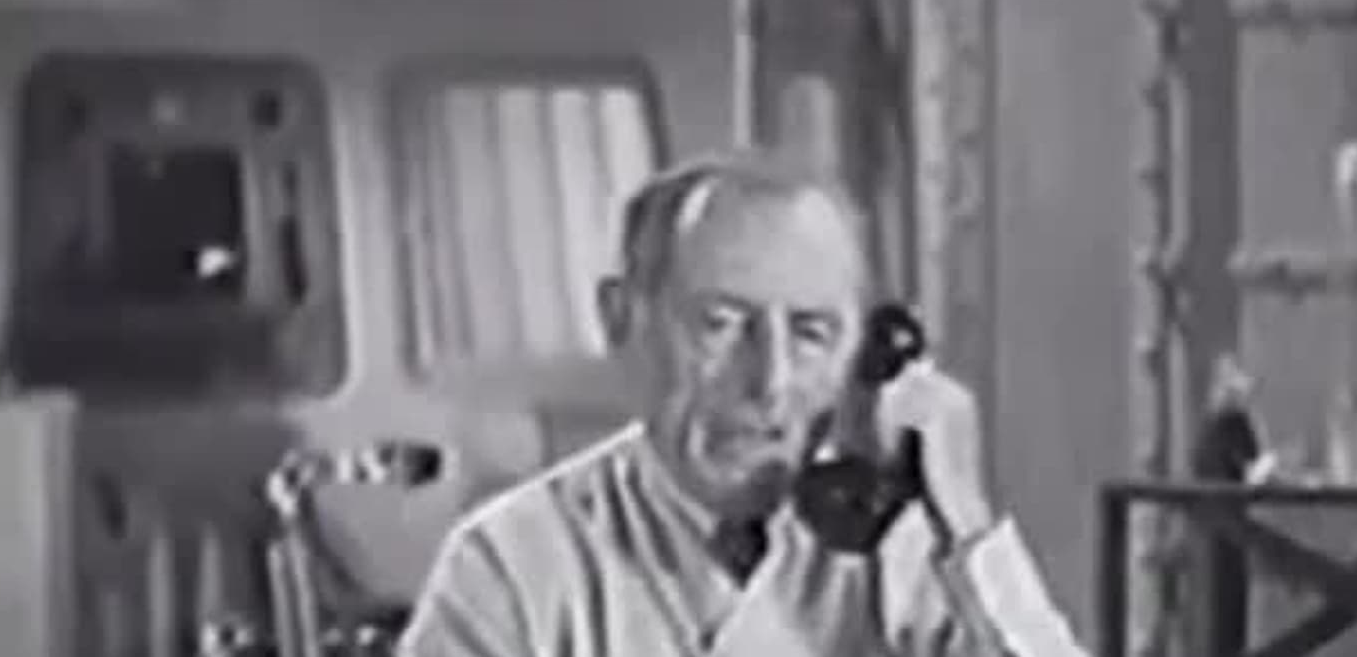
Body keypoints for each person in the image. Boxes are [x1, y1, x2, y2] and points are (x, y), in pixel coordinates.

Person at [397, 152, 1089, 656]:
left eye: (812, 334)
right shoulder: (512, 563)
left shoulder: (906, 551)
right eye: (722, 325)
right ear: (621, 318)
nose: (771, 382)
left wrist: (967, 530)